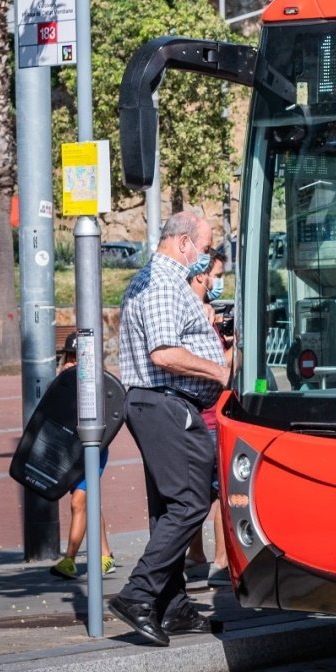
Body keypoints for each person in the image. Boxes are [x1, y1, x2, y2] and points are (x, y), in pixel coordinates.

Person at [107, 211, 229, 646]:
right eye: (204, 245)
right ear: (183, 244)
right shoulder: (161, 283)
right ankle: (138, 595)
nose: (207, 256)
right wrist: (218, 371)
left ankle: (171, 606)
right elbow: (164, 353)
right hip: (165, 405)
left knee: (168, 507)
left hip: (161, 405)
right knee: (192, 502)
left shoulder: (160, 280)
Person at [184, 250, 232, 586]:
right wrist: (237, 349)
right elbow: (218, 369)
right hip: (211, 418)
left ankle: (196, 556)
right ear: (202, 276)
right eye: (216, 274)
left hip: (194, 416)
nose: (218, 282)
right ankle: (221, 561)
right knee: (221, 493)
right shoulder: (198, 313)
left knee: (196, 492)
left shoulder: (195, 311)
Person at [49, 335, 116, 580]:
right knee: (88, 502)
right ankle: (105, 556)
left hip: (92, 448)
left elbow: (109, 411)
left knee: (79, 502)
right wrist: (63, 383)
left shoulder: (100, 382)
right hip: (70, 449)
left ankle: (69, 559)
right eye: (72, 356)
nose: (76, 361)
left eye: (81, 357)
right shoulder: (64, 380)